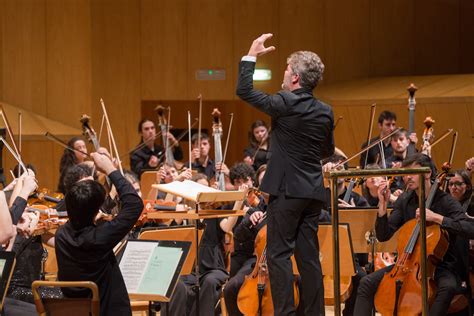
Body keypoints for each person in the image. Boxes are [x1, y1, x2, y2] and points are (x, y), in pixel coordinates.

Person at [236, 33, 334, 315]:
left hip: (287, 192)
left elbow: (244, 91)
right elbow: (326, 150)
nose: (283, 74)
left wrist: (251, 54)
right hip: (313, 192)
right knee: (308, 258)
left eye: (286, 70)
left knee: (278, 255)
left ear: (295, 78)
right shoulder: (325, 111)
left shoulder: (284, 102)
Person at [353, 154, 468, 316]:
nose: (407, 177)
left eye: (412, 172)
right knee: (366, 283)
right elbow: (384, 235)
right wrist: (383, 206)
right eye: (405, 173)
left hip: (441, 265)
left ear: (427, 173)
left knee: (447, 287)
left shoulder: (446, 201)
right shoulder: (405, 200)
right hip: (407, 263)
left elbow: (469, 228)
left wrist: (437, 218)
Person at [55, 150, 143, 315]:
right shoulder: (99, 238)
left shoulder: (61, 234)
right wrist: (110, 169)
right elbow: (134, 204)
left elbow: (80, 215)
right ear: (96, 211)